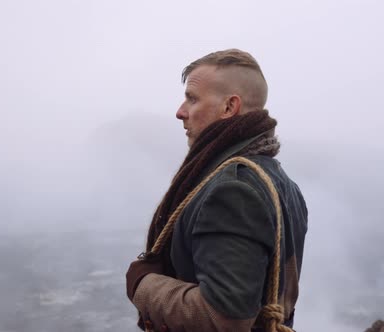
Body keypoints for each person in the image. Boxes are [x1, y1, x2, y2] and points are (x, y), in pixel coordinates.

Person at [126, 49, 308, 332]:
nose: (180, 112)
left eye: (192, 98)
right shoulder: (284, 184)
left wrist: (143, 283)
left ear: (228, 107)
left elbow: (224, 318)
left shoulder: (234, 189)